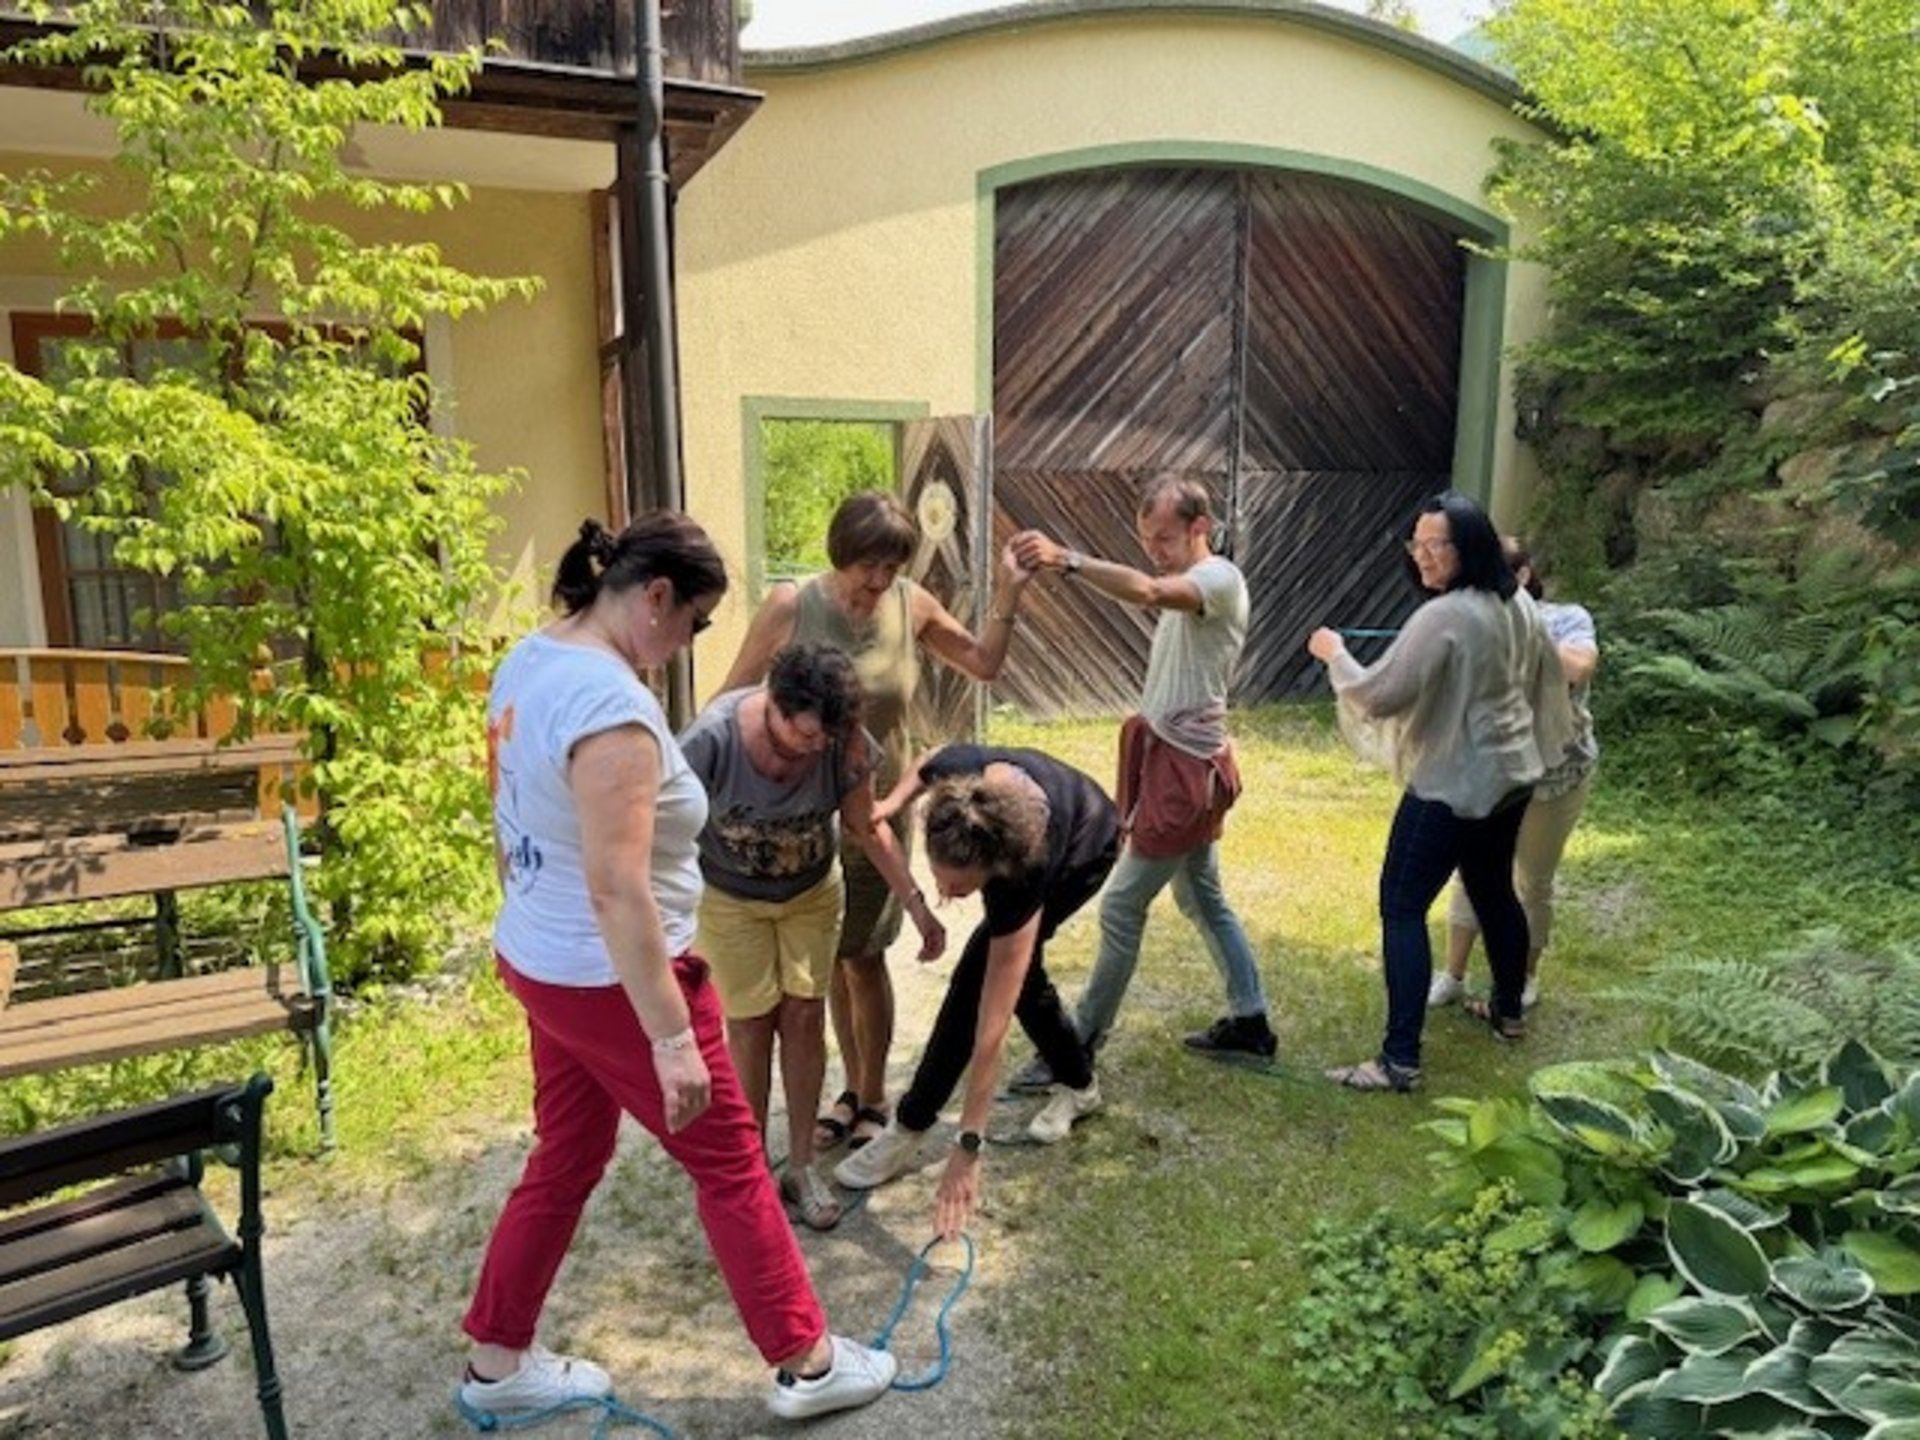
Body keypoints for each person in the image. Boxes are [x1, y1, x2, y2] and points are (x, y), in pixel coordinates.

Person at [461, 513, 897, 1424]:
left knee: (568, 1153)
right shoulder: (612, 710)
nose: (692, 643)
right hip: (615, 979)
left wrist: (532, 922)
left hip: (543, 959)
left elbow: (510, 817)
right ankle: (809, 1360)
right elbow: (617, 888)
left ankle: (497, 1361)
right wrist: (669, 1037)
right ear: (655, 596)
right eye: (694, 622)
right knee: (732, 1163)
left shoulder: (530, 661)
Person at [722, 490, 1035, 1153]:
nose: (880, 580)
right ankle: (848, 1089)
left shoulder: (910, 604)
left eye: (893, 566)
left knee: (864, 954)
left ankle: (871, 1096)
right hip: (798, 813)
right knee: (831, 959)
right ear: (841, 553)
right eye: (869, 565)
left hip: (879, 805)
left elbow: (983, 663)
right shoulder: (791, 606)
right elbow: (731, 699)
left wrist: (1008, 592)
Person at [1008, 477, 1276, 1076]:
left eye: (1164, 537)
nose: (1153, 550)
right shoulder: (1195, 579)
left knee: (1121, 905)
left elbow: (1150, 592)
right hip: (1185, 766)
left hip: (1184, 776)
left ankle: (1077, 1044)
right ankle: (1251, 1019)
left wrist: (1067, 559)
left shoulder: (1217, 580)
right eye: (1146, 538)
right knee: (1201, 895)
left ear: (1200, 527)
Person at [1307, 492, 1573, 1093]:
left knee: (1401, 906)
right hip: (1511, 776)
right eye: (1417, 544)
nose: (1423, 556)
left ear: (1469, 546)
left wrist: (1335, 655)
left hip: (1455, 784)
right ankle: (1508, 1012)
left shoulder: (1447, 615)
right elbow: (1543, 677)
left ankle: (1399, 1061)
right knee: (1492, 888)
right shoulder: (1517, 602)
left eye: (1437, 545)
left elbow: (1380, 697)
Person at [678, 642, 946, 1231]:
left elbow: (867, 828)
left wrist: (917, 904)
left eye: (823, 738)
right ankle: (750, 1170)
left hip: (810, 893)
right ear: (772, 702)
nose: (812, 749)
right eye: (801, 735)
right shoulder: (711, 739)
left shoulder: (841, 742)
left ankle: (800, 1167)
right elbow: (661, 832)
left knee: (804, 1014)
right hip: (729, 900)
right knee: (750, 1025)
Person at [833, 745, 1121, 1233]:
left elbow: (992, 1029)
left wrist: (968, 1145)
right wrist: (891, 804)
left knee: (976, 980)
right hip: (1045, 812)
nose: (947, 896)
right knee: (1022, 978)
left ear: (994, 868)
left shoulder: (1022, 874)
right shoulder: (961, 784)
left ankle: (911, 1123)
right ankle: (1080, 1083)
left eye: (961, 889)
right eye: (941, 882)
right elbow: (931, 759)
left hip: (1089, 843)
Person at [1430, 537, 1599, 1013]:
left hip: (1556, 779)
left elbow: (1580, 667)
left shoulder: (1567, 618)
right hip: (1492, 775)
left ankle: (1523, 980)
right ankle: (1453, 975)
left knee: (1532, 881)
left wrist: (1519, 635)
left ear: (1522, 576)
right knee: (1473, 871)